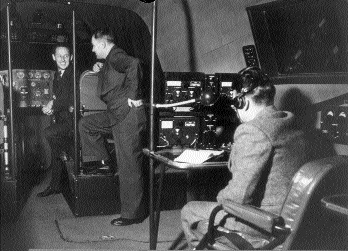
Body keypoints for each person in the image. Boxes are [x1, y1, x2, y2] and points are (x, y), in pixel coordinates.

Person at [181, 66, 309, 248]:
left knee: (190, 211)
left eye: (235, 103)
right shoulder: (290, 121)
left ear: (243, 102)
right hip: (291, 219)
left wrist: (220, 198)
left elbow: (237, 199)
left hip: (263, 223)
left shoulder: (252, 130)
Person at [78, 28, 148, 226]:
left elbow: (134, 64)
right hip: (117, 114)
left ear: (102, 44)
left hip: (127, 116)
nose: (92, 49)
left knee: (129, 166)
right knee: (87, 124)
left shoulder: (116, 55)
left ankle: (132, 215)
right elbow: (117, 77)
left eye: (93, 45)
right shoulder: (110, 60)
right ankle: (103, 162)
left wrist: (134, 96)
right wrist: (102, 68)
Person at [37, 43, 75, 197]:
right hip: (62, 119)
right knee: (55, 150)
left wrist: (52, 104)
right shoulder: (57, 76)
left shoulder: (73, 74)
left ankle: (73, 150)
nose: (63, 59)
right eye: (59, 56)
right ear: (54, 57)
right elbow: (59, 99)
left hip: (72, 121)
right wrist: (51, 109)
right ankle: (55, 186)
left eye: (66, 55)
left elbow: (68, 97)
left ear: (71, 57)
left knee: (48, 133)